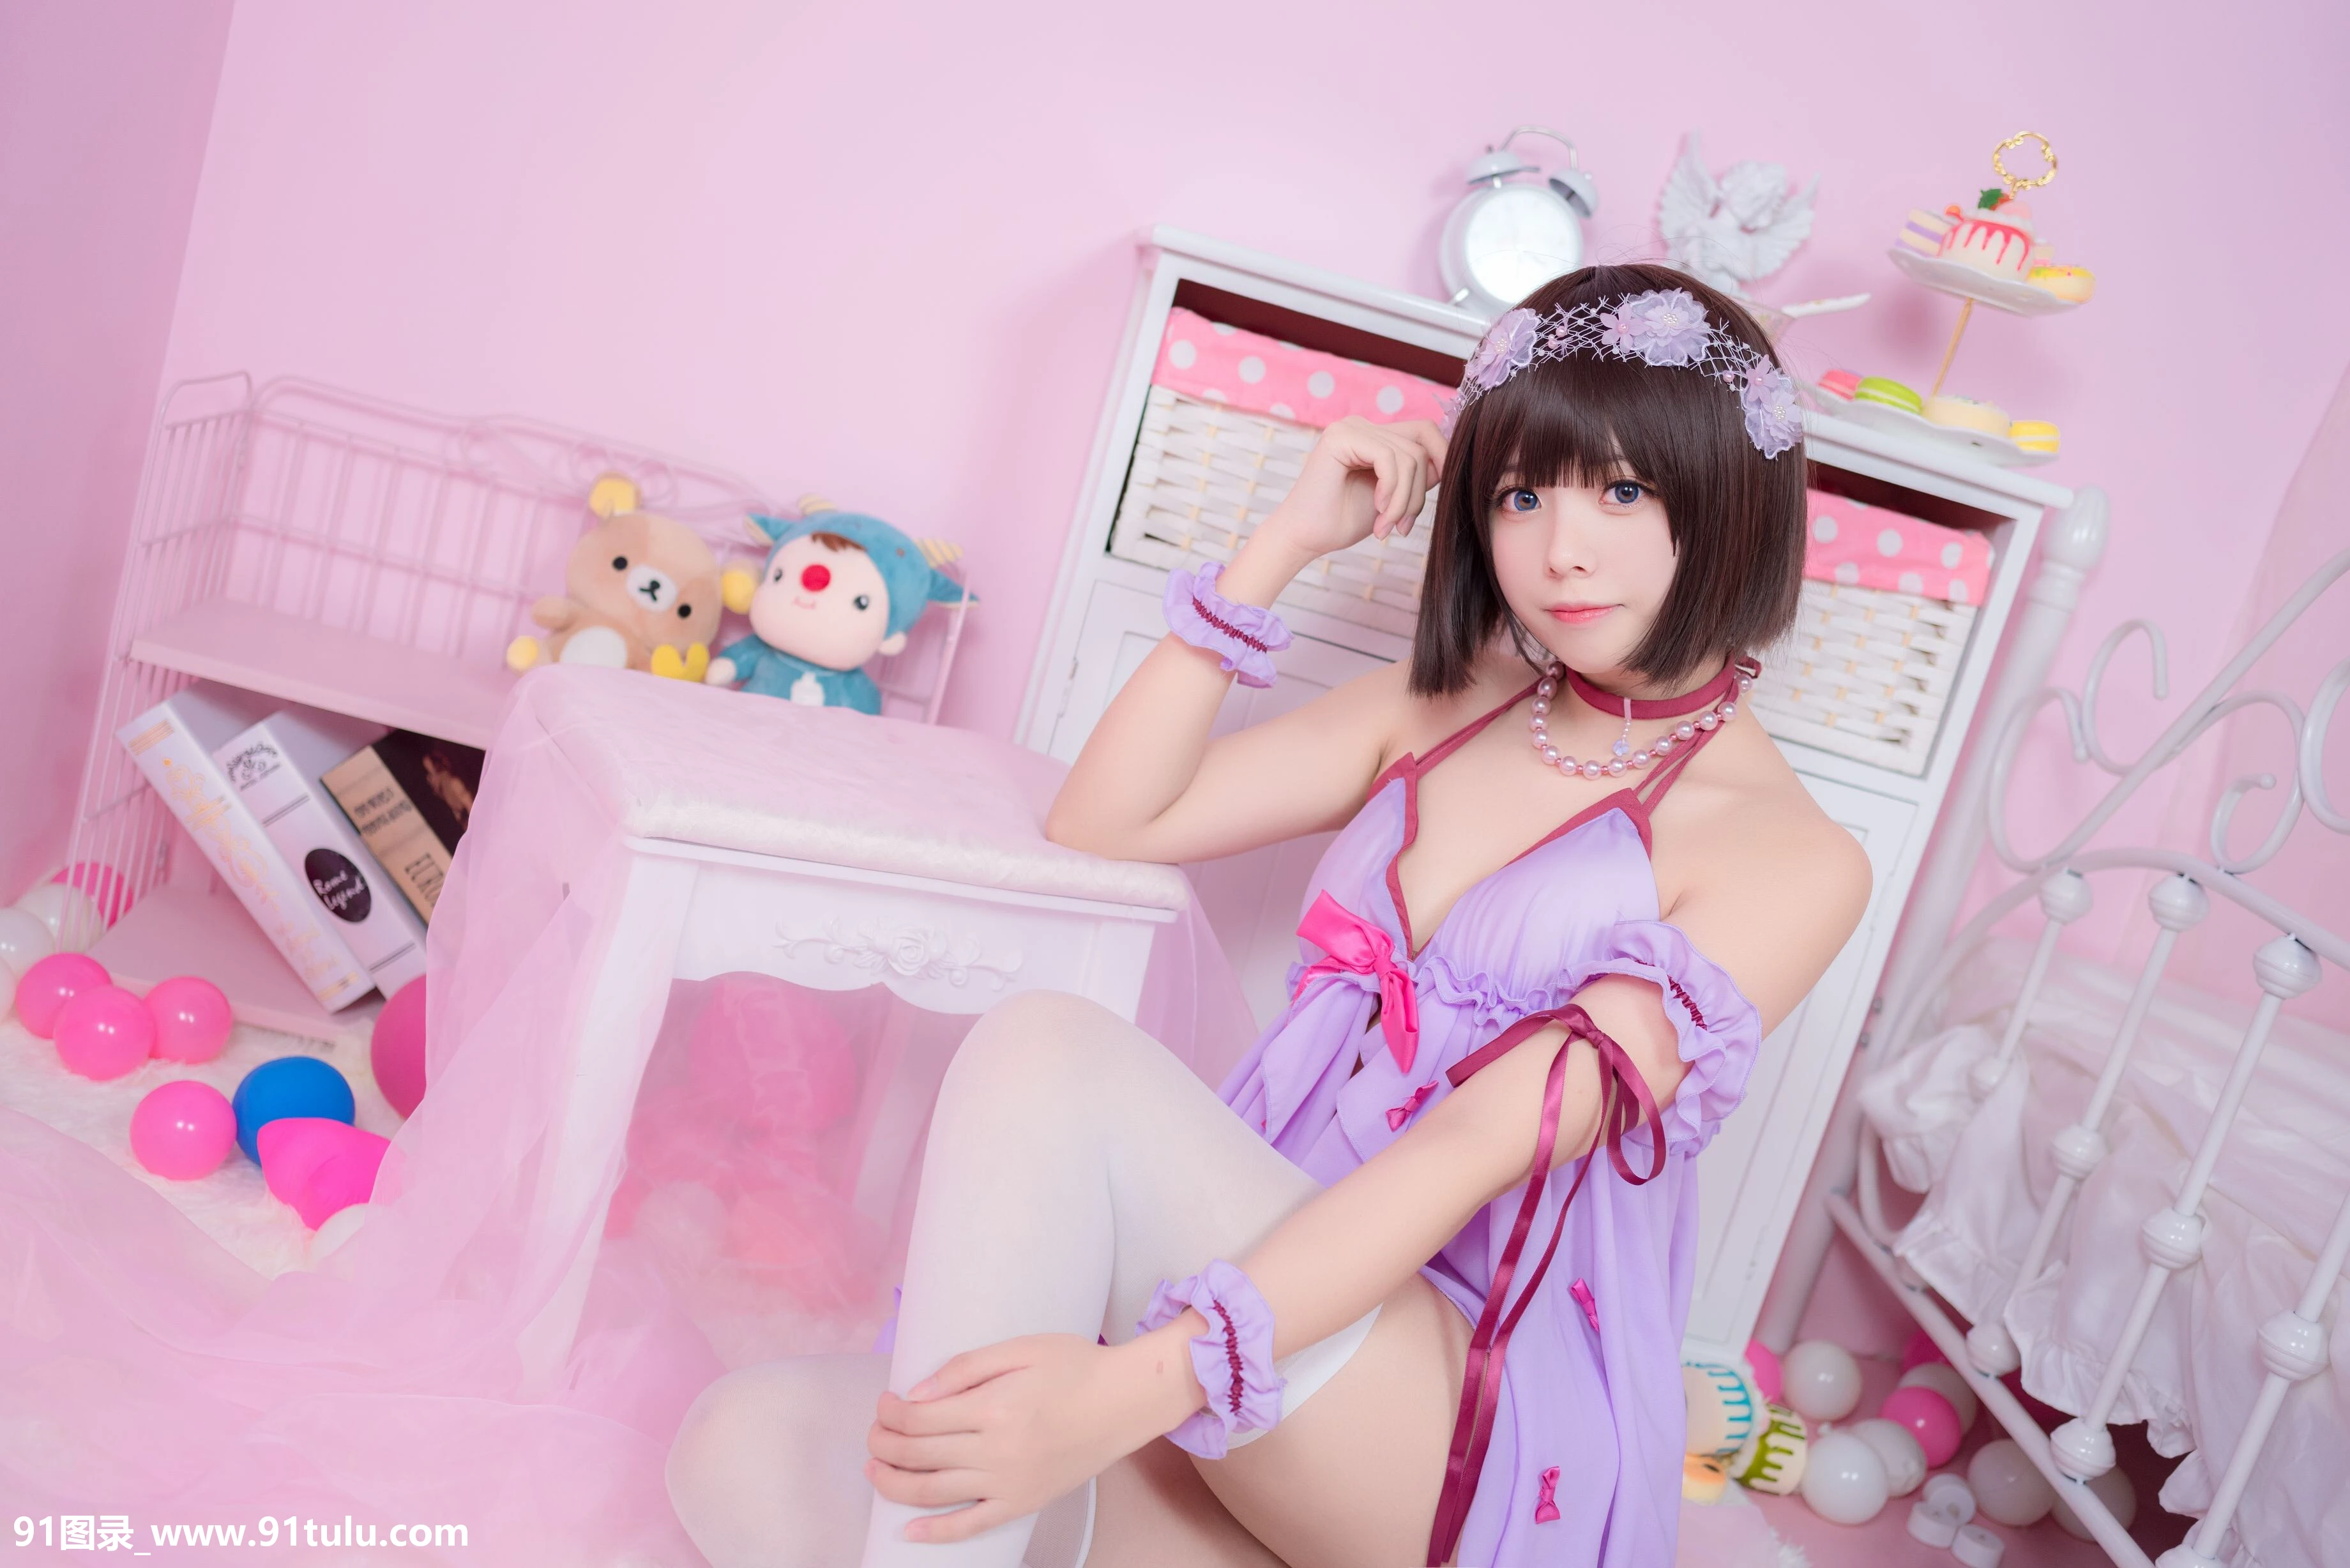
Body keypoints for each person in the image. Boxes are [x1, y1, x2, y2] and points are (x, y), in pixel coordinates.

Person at [665, 262, 1871, 1567]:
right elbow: (1108, 817)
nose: (1559, 550)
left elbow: (1475, 1141)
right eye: (1522, 494)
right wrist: (1285, 542)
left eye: (1622, 492)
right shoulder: (1453, 707)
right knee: (736, 1444)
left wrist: (1117, 1397)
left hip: (1465, 1414)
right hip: (1259, 1330)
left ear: (1730, 501)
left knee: (1048, 1047)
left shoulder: (1790, 858)